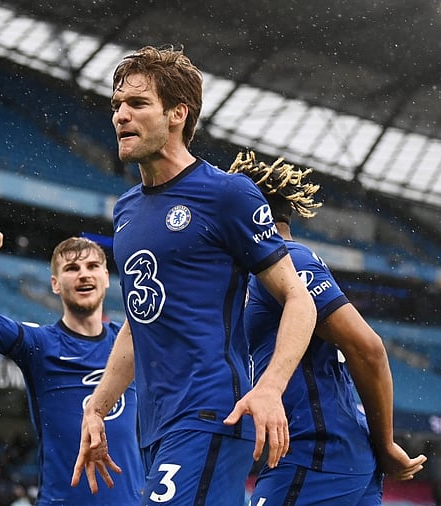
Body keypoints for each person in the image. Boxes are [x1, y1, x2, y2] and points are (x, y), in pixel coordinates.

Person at [71, 45, 317, 505]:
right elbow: (137, 322)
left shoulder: (226, 194)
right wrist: (97, 408)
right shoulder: (125, 210)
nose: (120, 116)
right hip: (156, 427)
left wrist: (269, 389)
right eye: (117, 106)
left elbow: (299, 300)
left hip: (210, 414)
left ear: (178, 114)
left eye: (138, 104)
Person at [229, 151, 428, 504]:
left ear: (248, 212)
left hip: (316, 455)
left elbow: (368, 349)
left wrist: (385, 444)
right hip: (325, 456)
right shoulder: (260, 273)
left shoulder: (291, 262)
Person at [0, 227, 142, 505]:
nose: (84, 273)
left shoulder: (132, 343)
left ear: (106, 278)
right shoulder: (39, 344)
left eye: (93, 266)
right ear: (55, 284)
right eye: (71, 268)